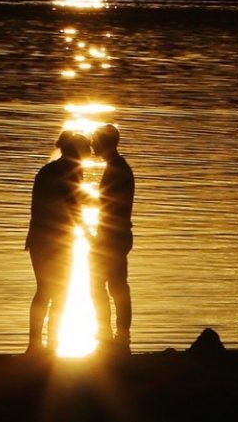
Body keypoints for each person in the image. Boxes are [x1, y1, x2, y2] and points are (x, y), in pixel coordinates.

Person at [25, 130, 88, 353]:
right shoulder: (71, 170)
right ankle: (49, 344)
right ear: (75, 150)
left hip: (39, 238)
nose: (89, 153)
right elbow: (74, 206)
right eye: (86, 148)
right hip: (56, 240)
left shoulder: (48, 170)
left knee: (45, 289)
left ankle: (37, 344)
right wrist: (89, 234)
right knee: (57, 290)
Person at [89, 123, 134, 354]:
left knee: (109, 286)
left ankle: (114, 335)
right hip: (114, 234)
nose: (92, 145)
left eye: (95, 141)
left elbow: (111, 205)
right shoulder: (116, 166)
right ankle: (113, 335)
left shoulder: (118, 168)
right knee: (112, 286)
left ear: (105, 143)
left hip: (112, 236)